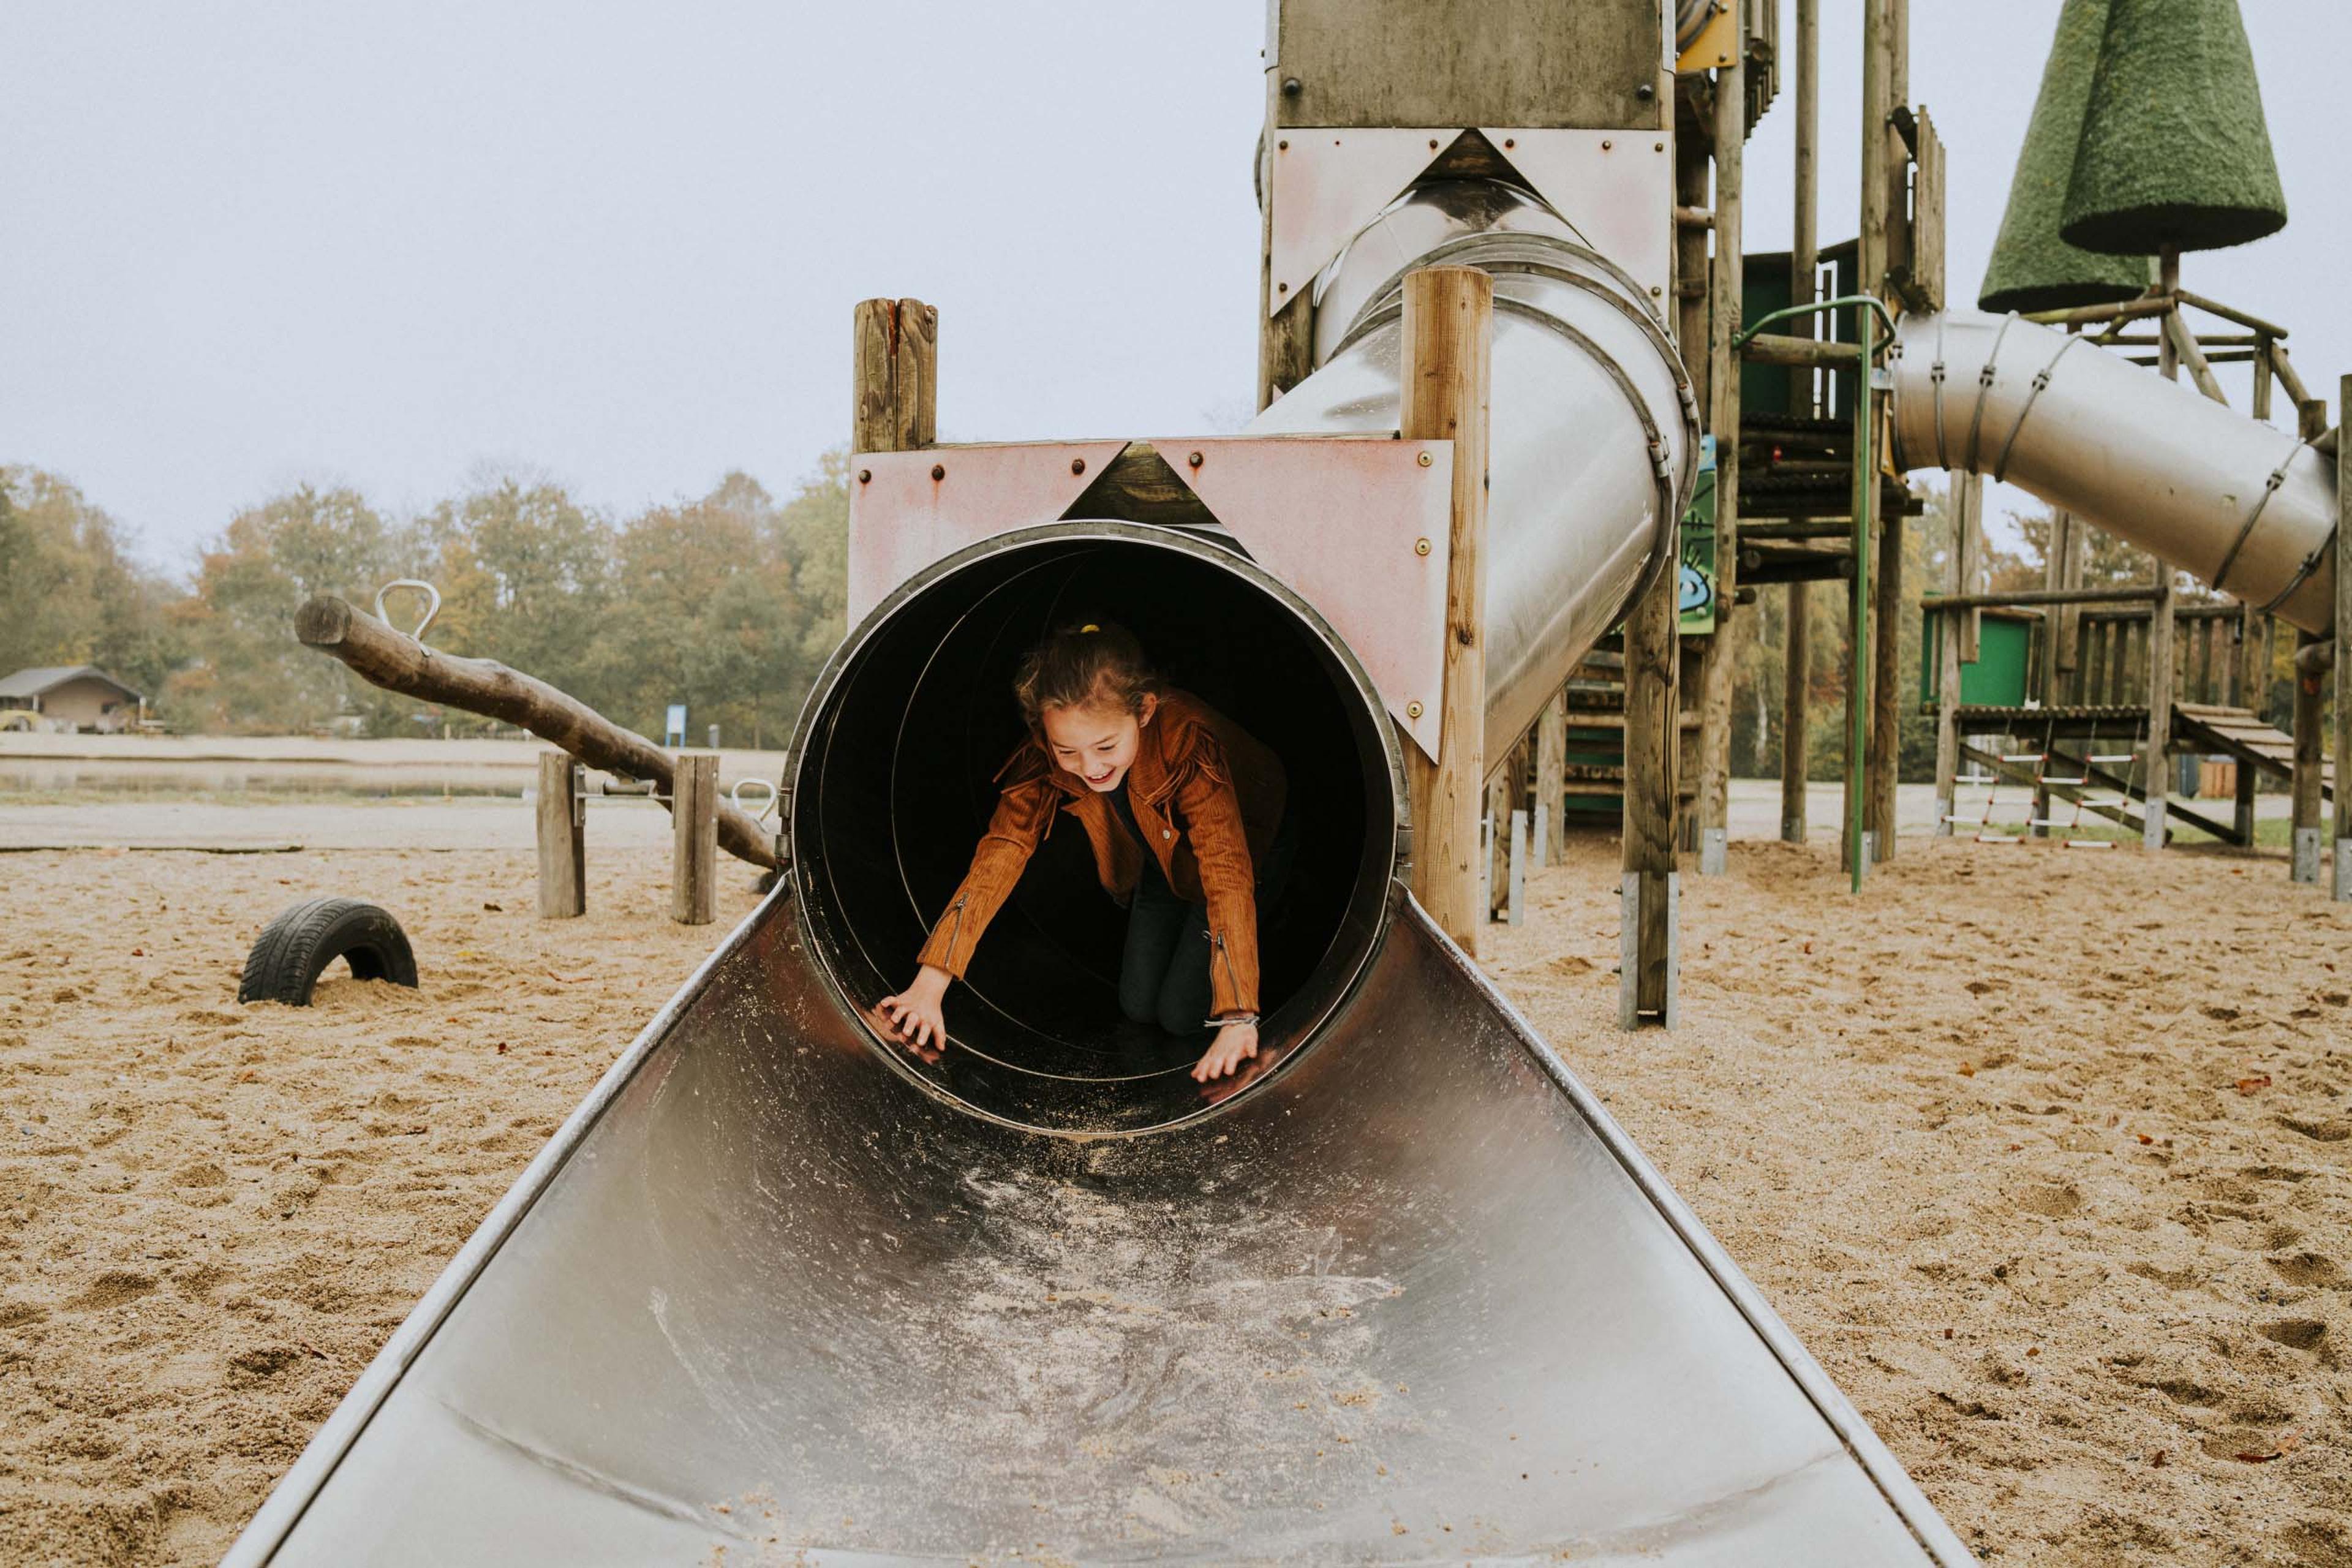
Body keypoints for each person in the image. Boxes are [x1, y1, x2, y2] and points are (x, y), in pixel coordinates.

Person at [878, 620, 1290, 1082]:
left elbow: (1226, 872)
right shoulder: (1047, 756)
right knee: (1137, 1006)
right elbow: (1002, 851)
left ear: (1146, 711)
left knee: (1178, 1014)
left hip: (1244, 856)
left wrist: (1238, 1016)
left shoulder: (1187, 744)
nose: (1089, 767)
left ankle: (1272, 927)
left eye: (1106, 746)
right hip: (1161, 861)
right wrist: (932, 983)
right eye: (1067, 751)